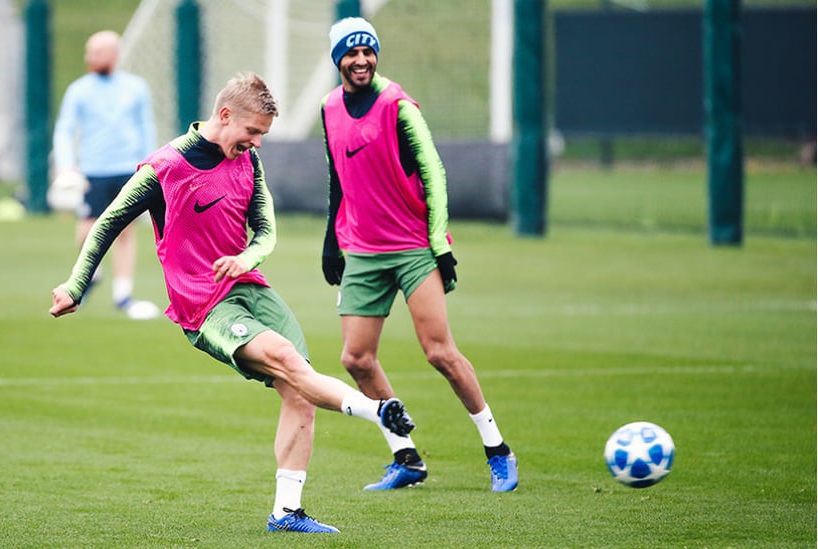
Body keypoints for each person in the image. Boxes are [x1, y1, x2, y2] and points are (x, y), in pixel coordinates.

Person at [49, 72, 416, 533]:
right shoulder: (163, 168)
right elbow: (106, 224)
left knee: (298, 391)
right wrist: (75, 286)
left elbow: (266, 231)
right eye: (253, 132)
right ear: (225, 116)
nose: (257, 143)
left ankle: (287, 512)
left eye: (262, 134)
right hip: (203, 305)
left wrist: (246, 258)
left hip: (252, 290)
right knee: (287, 359)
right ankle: (380, 411)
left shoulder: (249, 163)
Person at [319, 17, 519, 493]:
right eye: (352, 53)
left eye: (369, 51)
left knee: (439, 352)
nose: (362, 60)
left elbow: (434, 172)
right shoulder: (329, 108)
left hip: (412, 247)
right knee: (356, 359)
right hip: (363, 250)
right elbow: (337, 181)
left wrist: (440, 244)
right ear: (338, 60)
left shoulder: (397, 105)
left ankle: (498, 450)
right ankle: (405, 456)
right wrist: (332, 242)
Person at [52, 30, 158, 319]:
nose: (91, 59)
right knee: (87, 230)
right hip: (93, 170)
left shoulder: (135, 88)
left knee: (125, 231)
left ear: (113, 55)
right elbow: (65, 129)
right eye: (89, 53)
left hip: (128, 169)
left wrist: (151, 164)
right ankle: (93, 272)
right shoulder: (79, 90)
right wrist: (66, 163)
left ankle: (123, 295)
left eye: (97, 53)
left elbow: (145, 126)